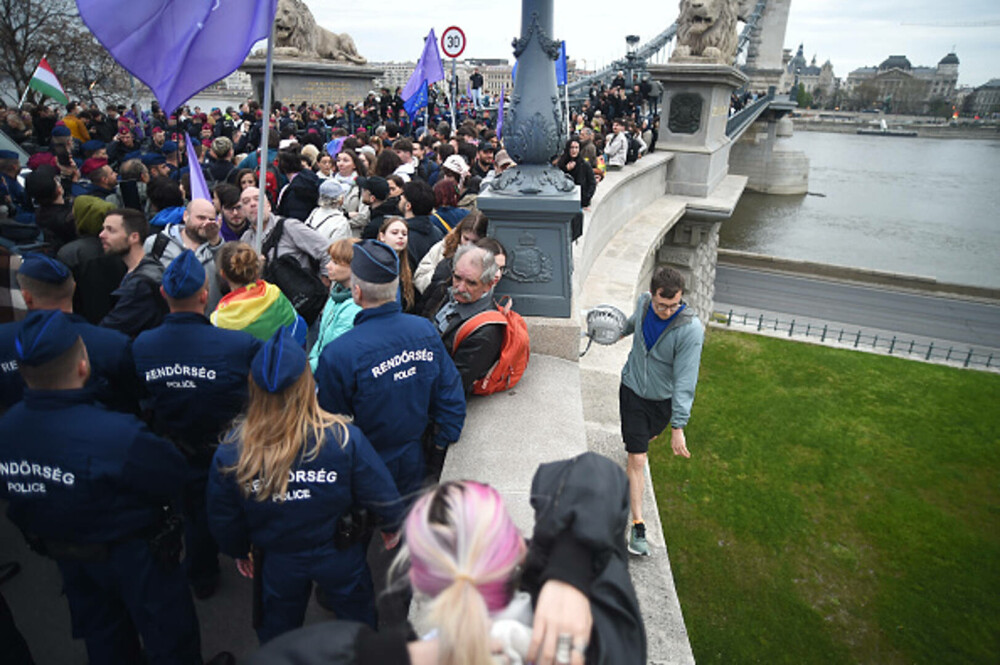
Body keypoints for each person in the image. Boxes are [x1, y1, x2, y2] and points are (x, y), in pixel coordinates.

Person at [245, 453, 647, 665]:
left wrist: (410, 656)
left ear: (420, 583)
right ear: (518, 546)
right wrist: (570, 574)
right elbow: (598, 474)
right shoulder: (601, 641)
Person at [0, 310, 205, 665]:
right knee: (169, 638)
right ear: (83, 365)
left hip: (67, 554)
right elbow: (172, 473)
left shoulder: (6, 432)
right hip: (135, 555)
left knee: (104, 636)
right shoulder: (117, 435)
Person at [207, 328, 404, 643]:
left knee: (278, 627)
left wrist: (236, 549)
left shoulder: (233, 450)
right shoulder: (341, 438)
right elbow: (378, 489)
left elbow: (223, 513)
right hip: (339, 551)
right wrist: (392, 523)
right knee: (358, 620)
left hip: (278, 557)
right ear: (307, 384)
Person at [132, 250, 261, 599]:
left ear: (163, 295)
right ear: (205, 295)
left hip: (177, 448)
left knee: (193, 515)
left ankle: (202, 576)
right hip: (232, 447)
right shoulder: (237, 344)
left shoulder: (143, 346)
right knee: (242, 504)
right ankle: (248, 554)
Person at [315, 239, 465, 504]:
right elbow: (450, 395)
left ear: (357, 292)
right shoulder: (424, 330)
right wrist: (440, 447)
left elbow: (331, 428)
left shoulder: (339, 354)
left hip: (364, 470)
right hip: (415, 461)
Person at [617, 267, 704, 556]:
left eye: (673, 305)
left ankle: (638, 448)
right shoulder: (643, 303)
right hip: (631, 390)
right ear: (651, 295)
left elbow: (685, 380)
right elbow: (634, 324)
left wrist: (678, 426)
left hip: (661, 402)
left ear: (681, 299)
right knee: (638, 457)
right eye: (660, 305)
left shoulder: (690, 330)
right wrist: (614, 331)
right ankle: (638, 526)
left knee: (644, 442)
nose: (666, 311)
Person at [0, 254, 135, 414]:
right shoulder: (114, 344)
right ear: (74, 287)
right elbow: (132, 398)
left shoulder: (5, 342)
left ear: (26, 297)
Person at [424, 245, 505, 396]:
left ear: (488, 285)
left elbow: (452, 386)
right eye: (457, 278)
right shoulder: (445, 291)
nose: (460, 288)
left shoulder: (485, 332)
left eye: (471, 283)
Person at [211, 242, 307, 345]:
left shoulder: (220, 319)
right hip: (289, 357)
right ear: (256, 268)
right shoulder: (273, 292)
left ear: (223, 274)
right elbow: (298, 328)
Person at [144, 197, 225, 313]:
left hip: (207, 323)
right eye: (201, 218)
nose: (206, 223)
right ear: (186, 216)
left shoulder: (218, 248)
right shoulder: (156, 243)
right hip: (165, 321)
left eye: (211, 219)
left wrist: (215, 243)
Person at [98, 207, 169, 337]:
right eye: (103, 228)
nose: (101, 235)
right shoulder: (143, 268)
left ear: (134, 237)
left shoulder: (140, 285)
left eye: (110, 230)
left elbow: (112, 328)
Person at [239, 186, 330, 280]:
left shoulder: (289, 227)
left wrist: (325, 278)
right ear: (243, 211)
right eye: (246, 202)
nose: (253, 204)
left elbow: (327, 250)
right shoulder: (245, 240)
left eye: (257, 199)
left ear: (269, 205)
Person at [308, 238, 361, 371]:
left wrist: (307, 369)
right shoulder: (336, 295)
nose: (328, 266)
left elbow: (335, 351)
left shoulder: (354, 307)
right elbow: (320, 340)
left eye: (336, 263)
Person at [397, 180, 443, 270]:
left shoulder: (402, 237)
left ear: (408, 206)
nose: (400, 197)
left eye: (403, 197)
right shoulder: (437, 233)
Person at [378, 217, 415, 312]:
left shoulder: (408, 266)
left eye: (404, 234)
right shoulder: (375, 264)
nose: (400, 237)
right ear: (382, 236)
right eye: (394, 233)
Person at [557, 138, 597, 209]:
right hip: (565, 199)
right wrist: (566, 169)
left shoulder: (584, 164)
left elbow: (592, 183)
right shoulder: (562, 162)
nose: (574, 150)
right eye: (572, 147)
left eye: (576, 148)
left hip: (580, 200)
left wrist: (585, 200)